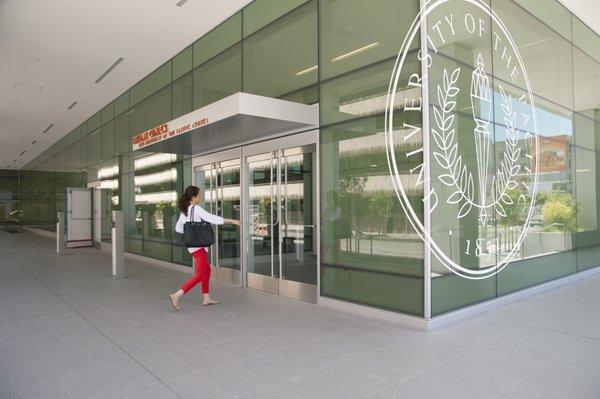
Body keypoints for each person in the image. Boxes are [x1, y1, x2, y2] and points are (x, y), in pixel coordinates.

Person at [169, 185, 239, 310]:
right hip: (199, 247)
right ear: (194, 197)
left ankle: (206, 298)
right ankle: (177, 295)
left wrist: (190, 231)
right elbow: (212, 219)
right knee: (200, 274)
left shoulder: (184, 211)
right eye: (199, 195)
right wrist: (233, 221)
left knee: (207, 270)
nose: (200, 197)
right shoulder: (196, 209)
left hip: (193, 246)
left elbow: (178, 229)